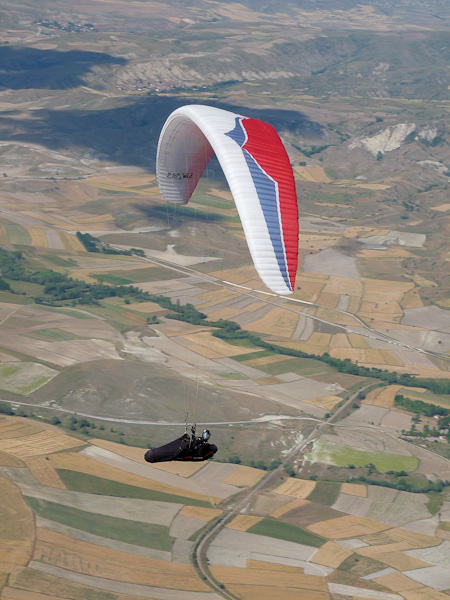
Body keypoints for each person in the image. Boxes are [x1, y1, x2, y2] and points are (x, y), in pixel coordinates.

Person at [144, 427, 217, 464]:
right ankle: (152, 455)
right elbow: (195, 444)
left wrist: (200, 444)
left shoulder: (204, 453)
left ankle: (152, 456)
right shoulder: (202, 444)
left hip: (183, 453)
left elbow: (198, 452)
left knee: (170, 451)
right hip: (185, 449)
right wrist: (193, 434)